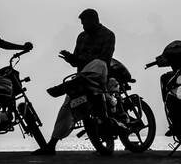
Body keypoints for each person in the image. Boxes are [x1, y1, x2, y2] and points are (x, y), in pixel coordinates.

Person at [32, 8, 117, 155]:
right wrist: (70, 58)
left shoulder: (108, 35)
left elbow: (105, 58)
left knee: (98, 62)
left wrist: (80, 61)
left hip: (99, 76)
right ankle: (51, 145)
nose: (83, 27)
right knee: (67, 107)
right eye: (82, 24)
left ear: (95, 21)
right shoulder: (82, 37)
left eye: (85, 23)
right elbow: (76, 61)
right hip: (82, 79)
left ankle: (69, 85)